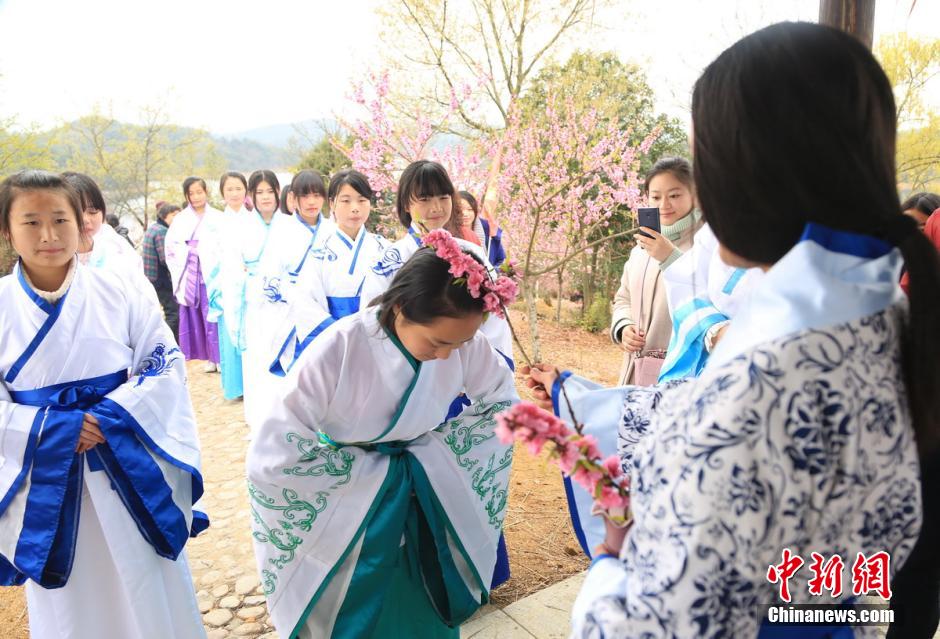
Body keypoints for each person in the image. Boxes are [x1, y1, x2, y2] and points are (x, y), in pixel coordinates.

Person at [524, 22, 940, 638]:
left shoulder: (769, 377)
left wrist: (613, 561)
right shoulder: (880, 308)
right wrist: (576, 393)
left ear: (752, 174)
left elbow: (655, 626)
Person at [247, 232, 518, 638]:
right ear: (403, 308)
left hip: (425, 505)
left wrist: (433, 459)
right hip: (351, 511)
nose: (448, 355)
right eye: (438, 341)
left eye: (459, 343)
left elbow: (502, 405)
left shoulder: (464, 346)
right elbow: (272, 455)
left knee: (423, 619)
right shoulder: (339, 346)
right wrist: (382, 475)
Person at [0, 170, 208, 639]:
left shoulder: (123, 289)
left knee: (147, 587)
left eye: (60, 219)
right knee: (74, 607)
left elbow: (162, 361)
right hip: (48, 483)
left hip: (127, 465)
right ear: (7, 230)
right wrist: (55, 430)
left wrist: (106, 418)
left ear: (83, 224)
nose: (49, 235)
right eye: (31, 222)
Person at [272, 169, 388, 374]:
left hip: (377, 339)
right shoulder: (318, 251)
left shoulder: (384, 250)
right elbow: (306, 304)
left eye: (362, 200)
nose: (355, 208)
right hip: (332, 341)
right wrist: (339, 335)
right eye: (346, 201)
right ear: (332, 204)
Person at [609, 157, 703, 386]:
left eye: (674, 195)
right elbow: (623, 299)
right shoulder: (640, 250)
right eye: (656, 196)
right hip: (636, 372)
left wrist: (670, 258)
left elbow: (709, 297)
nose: (664, 205)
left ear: (695, 195)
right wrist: (623, 327)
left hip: (682, 377)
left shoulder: (707, 244)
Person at [218, 170, 294, 431]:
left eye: (269, 191)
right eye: (259, 192)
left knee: (287, 360)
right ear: (252, 195)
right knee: (257, 365)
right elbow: (231, 274)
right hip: (254, 305)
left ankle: (291, 421)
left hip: (286, 304)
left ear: (278, 192)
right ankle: (262, 424)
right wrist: (233, 316)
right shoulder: (241, 227)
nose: (265, 197)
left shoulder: (290, 224)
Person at [61, 172, 155, 301]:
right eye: (76, 212)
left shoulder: (118, 248)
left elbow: (143, 296)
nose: (85, 219)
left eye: (93, 211)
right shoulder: (46, 256)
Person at [165, 176, 224, 372]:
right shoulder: (181, 219)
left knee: (214, 315)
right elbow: (171, 247)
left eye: (200, 192)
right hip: (190, 274)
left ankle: (220, 357)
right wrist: (189, 252)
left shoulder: (217, 217)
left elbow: (224, 246)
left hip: (213, 274)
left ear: (206, 192)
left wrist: (206, 252)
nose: (197, 196)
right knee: (198, 317)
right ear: (186, 196)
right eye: (192, 193)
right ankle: (208, 357)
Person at [209, 172, 251, 401]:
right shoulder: (215, 223)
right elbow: (210, 259)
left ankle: (253, 383)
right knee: (230, 336)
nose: (235, 194)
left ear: (245, 191)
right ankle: (236, 387)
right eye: (229, 190)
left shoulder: (254, 220)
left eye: (238, 188)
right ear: (222, 194)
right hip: (226, 285)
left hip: (248, 285)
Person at [142, 202, 181, 339]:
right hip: (160, 279)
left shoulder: (154, 227)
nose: (178, 219)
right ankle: (169, 343)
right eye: (174, 215)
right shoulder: (162, 232)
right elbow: (166, 258)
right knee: (173, 313)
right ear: (165, 216)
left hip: (153, 278)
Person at [459, 190, 506, 268]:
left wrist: (491, 273)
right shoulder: (449, 234)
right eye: (460, 210)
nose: (465, 214)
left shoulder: (488, 230)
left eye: (470, 209)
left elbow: (501, 260)